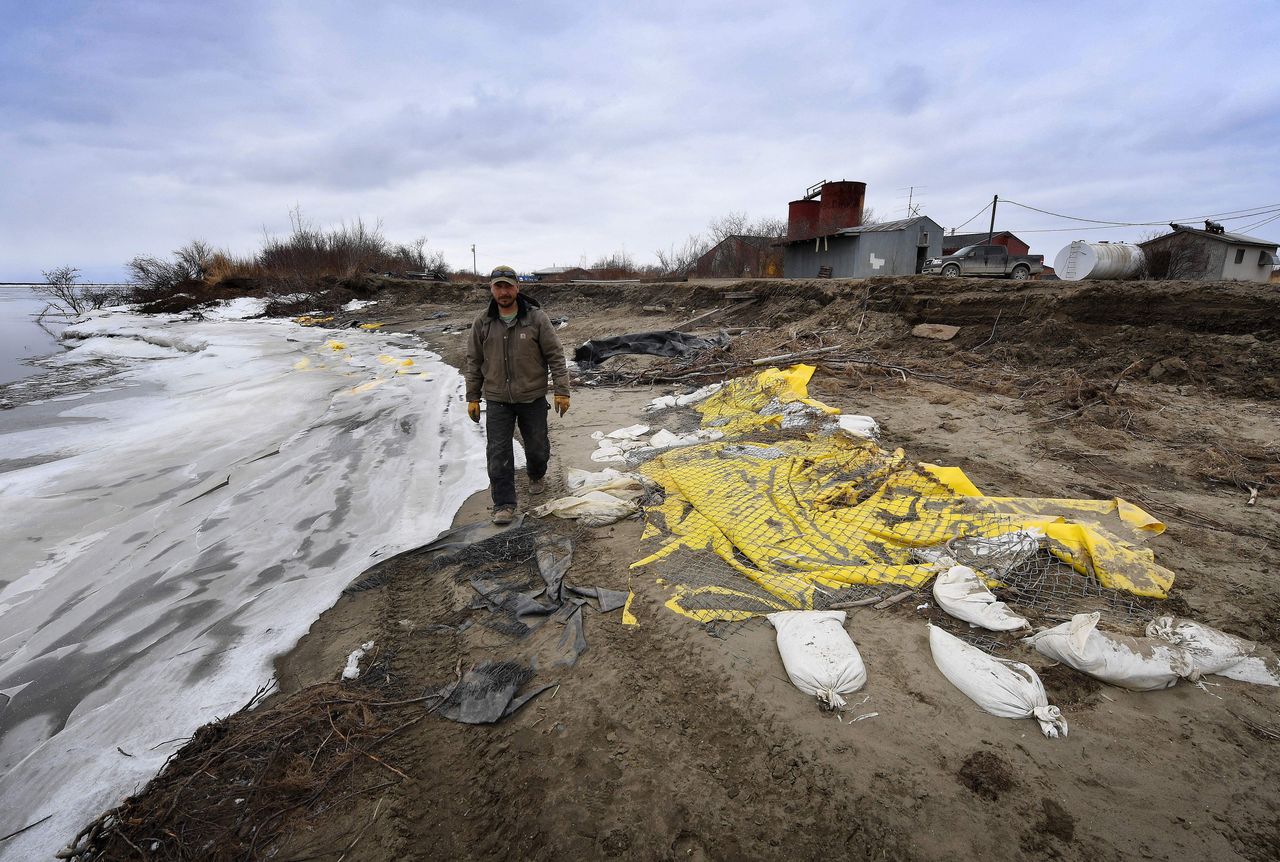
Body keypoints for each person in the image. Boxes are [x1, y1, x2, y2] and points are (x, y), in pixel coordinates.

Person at [464, 265, 571, 525]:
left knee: (536, 448)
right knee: (498, 452)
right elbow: (474, 361)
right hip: (498, 399)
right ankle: (503, 503)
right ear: (491, 289)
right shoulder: (483, 322)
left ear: (517, 288)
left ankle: (537, 473)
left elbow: (555, 355)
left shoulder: (536, 318)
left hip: (532, 397)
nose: (503, 291)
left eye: (507, 286)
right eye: (498, 286)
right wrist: (472, 397)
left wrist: (561, 391)